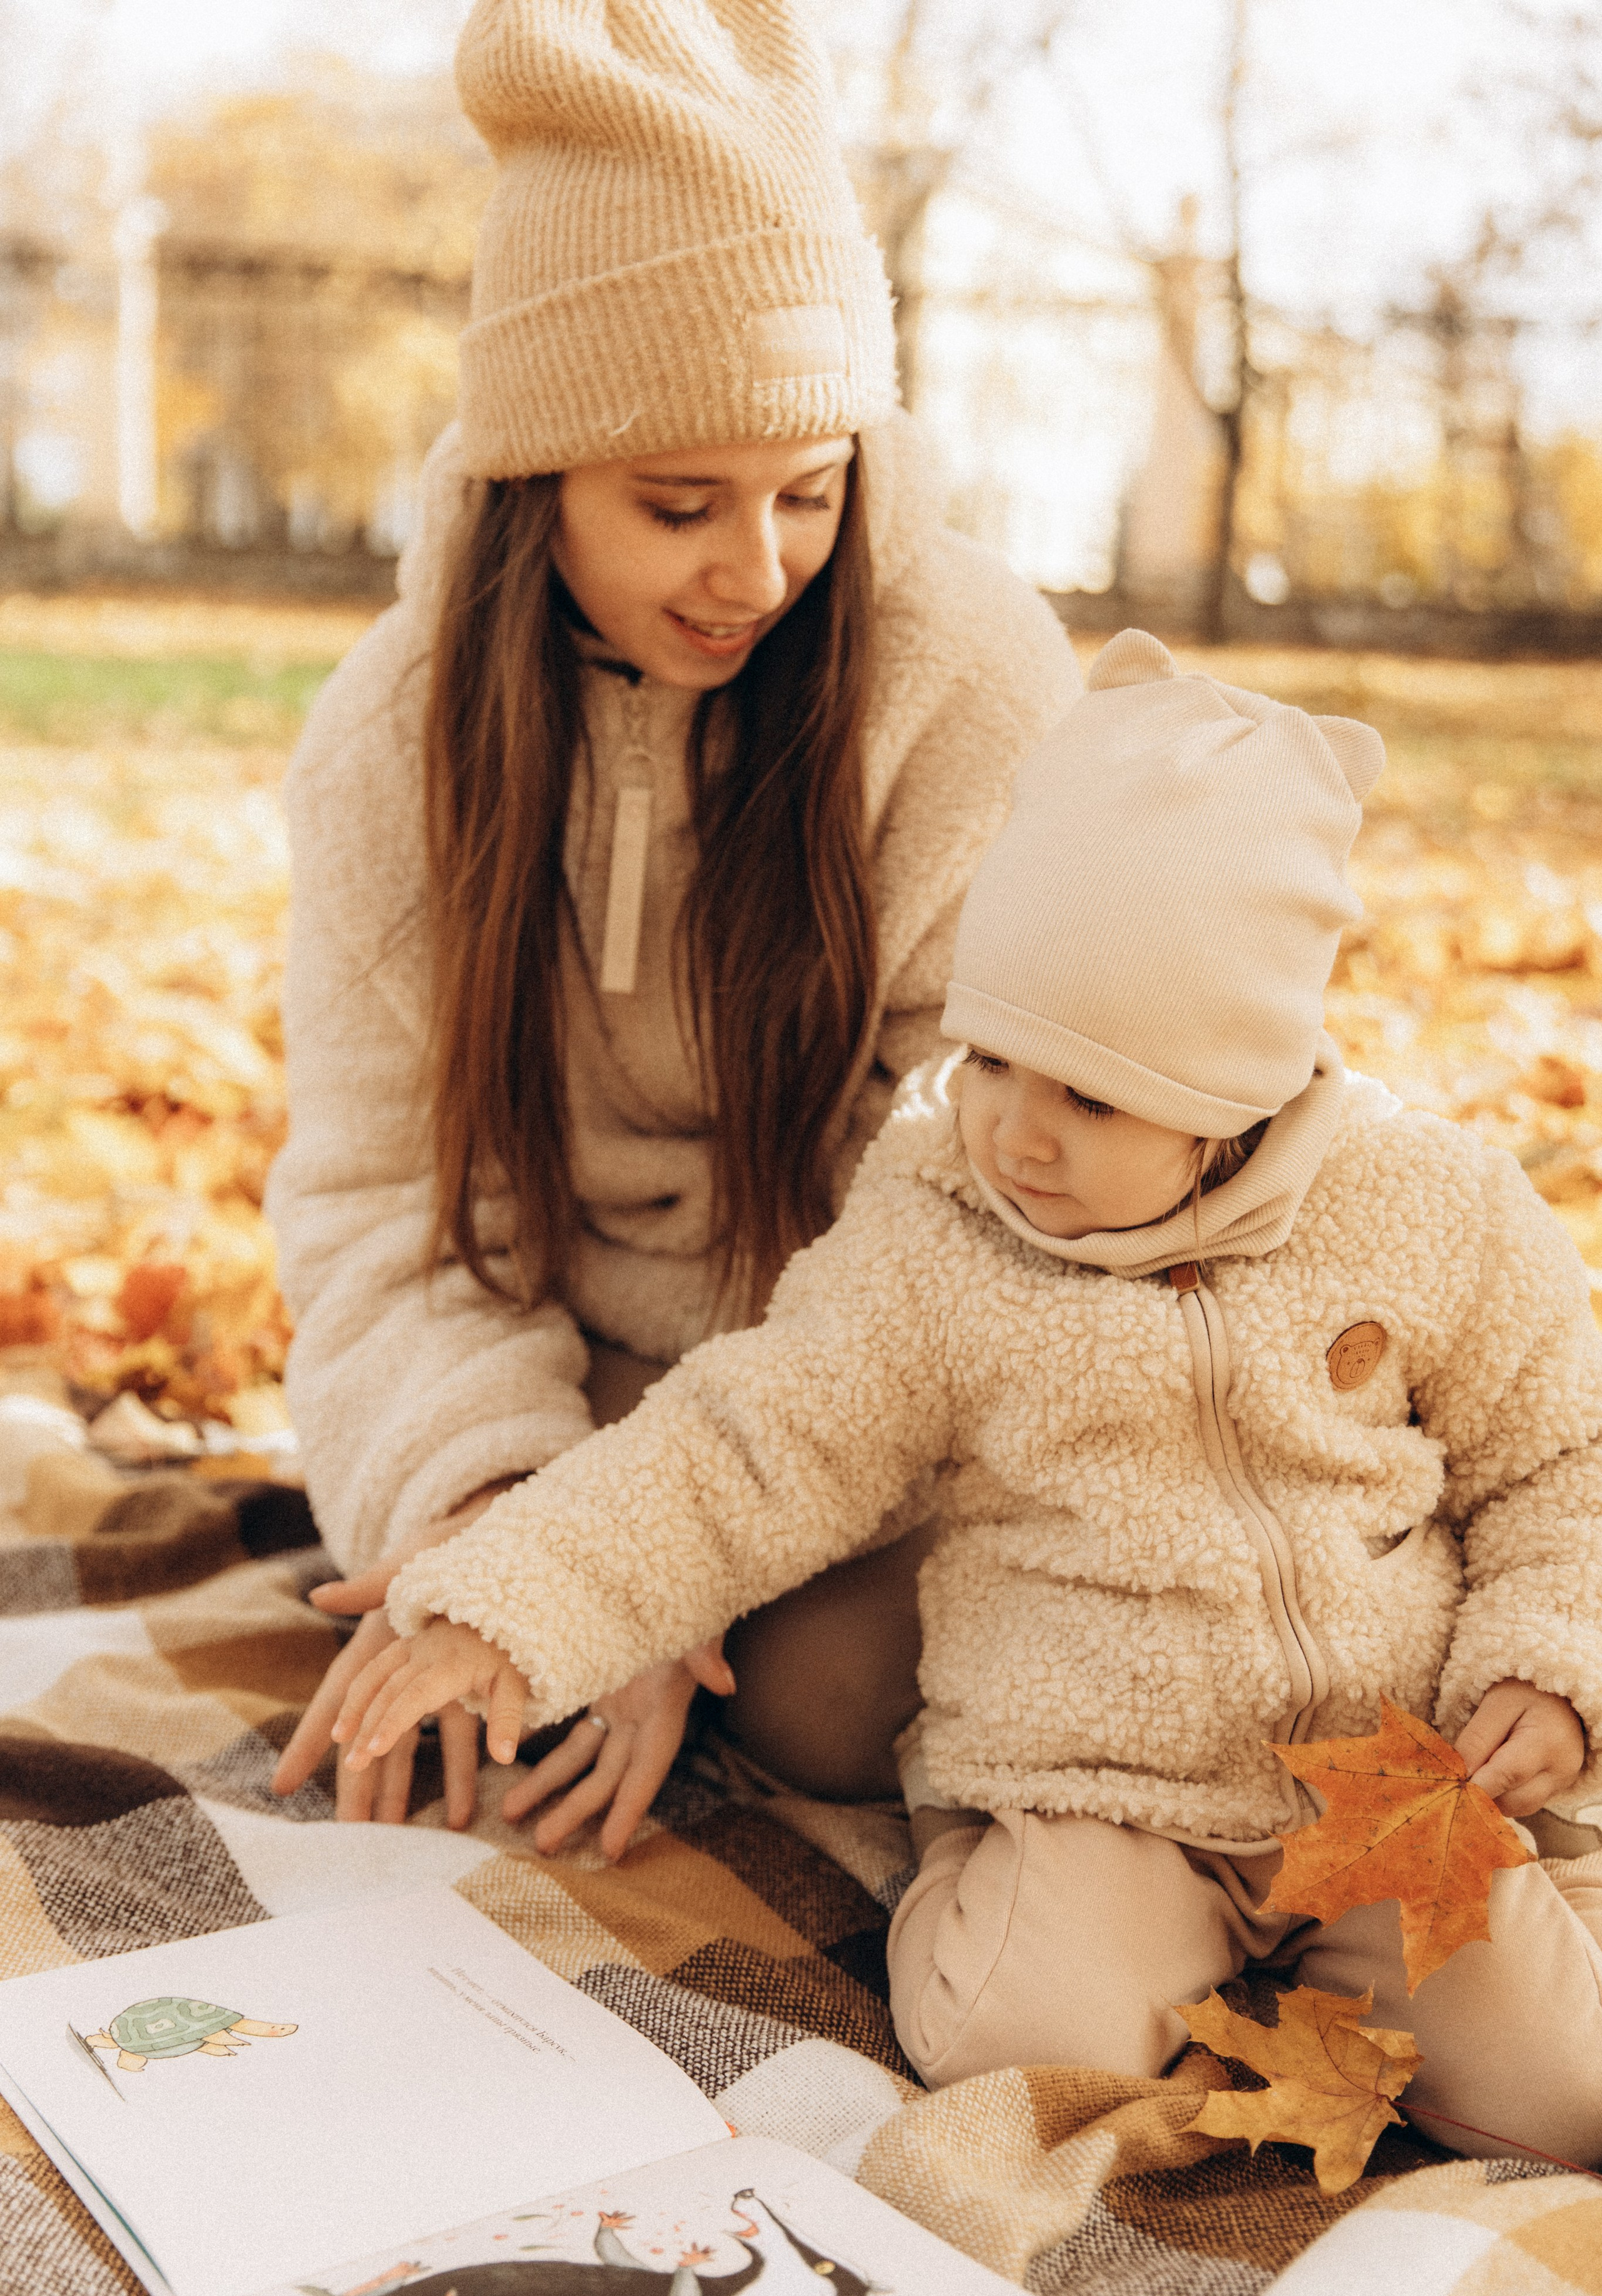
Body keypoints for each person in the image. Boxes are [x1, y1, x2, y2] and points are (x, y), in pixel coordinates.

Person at [332, 629, 1602, 2163]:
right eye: (992, 1058)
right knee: (1018, 2052)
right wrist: (505, 1605)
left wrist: (1552, 1665)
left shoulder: (1422, 1207)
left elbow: (1563, 1454)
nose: (1018, 1132)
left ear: (1235, 1096)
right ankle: (979, 1857)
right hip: (1099, 1783)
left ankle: (1495, 1907)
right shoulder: (936, 1235)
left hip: (1386, 1785)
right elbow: (744, 1442)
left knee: (1561, 2094)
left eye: (1089, 1095)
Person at [265, 0, 1081, 1841]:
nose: (760, 571)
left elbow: (969, 1204)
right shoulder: (391, 742)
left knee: (830, 1703)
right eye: (677, 504)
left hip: (876, 1379)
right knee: (474, 1722)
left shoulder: (965, 682)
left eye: (810, 490)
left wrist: (645, 1555)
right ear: (531, 478)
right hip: (572, 1351)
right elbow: (385, 1207)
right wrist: (493, 1526)